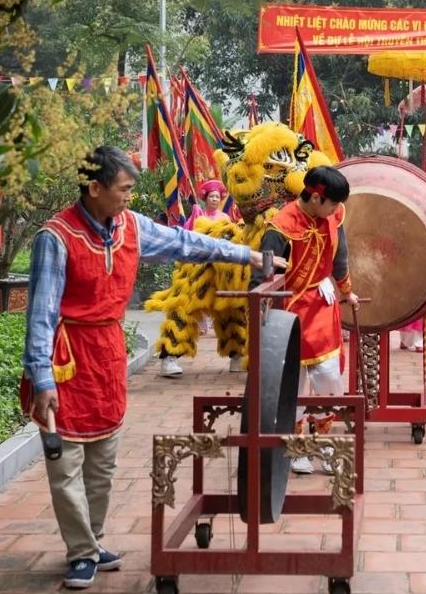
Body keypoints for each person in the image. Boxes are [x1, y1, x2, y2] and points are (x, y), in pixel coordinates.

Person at [21, 146, 284, 590]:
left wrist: (250, 257)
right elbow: (41, 314)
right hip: (67, 357)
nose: (129, 197)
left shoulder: (132, 226)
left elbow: (189, 243)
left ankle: (94, 539)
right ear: (94, 188)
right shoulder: (56, 237)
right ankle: (81, 551)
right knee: (65, 463)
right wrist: (41, 376)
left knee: (102, 460)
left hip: (107, 353)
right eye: (123, 189)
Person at [252, 166, 359, 474]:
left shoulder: (333, 215)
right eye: (333, 204)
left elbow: (340, 258)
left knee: (327, 373)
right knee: (294, 377)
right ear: (314, 197)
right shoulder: (281, 226)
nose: (337, 211)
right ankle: (296, 446)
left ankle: (324, 441)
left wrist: (346, 290)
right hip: (290, 306)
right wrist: (263, 317)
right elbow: (263, 275)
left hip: (321, 301)